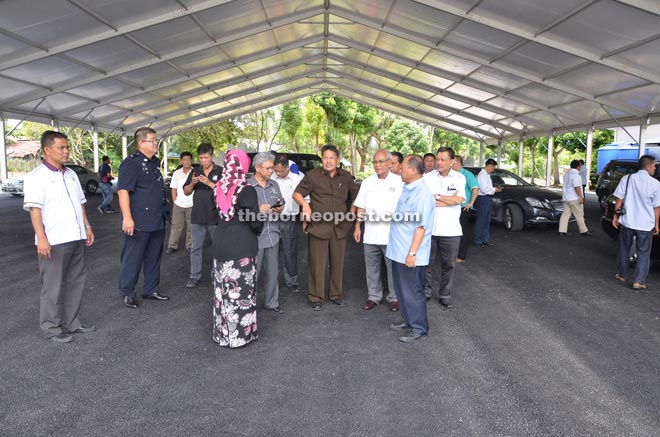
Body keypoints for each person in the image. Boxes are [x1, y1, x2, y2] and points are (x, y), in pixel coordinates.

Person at [23, 130, 97, 343]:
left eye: (67, 147)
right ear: (47, 150)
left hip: (76, 237)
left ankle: (72, 323)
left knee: (77, 282)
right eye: (61, 148)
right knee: (52, 287)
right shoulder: (37, 177)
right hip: (54, 241)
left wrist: (88, 227)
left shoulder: (71, 174)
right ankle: (51, 328)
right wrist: (42, 238)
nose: (66, 151)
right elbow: (35, 210)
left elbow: (80, 204)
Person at [293, 144, 359, 311]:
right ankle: (316, 297)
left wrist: (351, 213)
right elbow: (297, 193)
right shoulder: (313, 175)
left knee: (337, 263)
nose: (328, 161)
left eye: (331, 158)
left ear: (337, 160)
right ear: (322, 159)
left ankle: (336, 295)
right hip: (318, 227)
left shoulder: (345, 177)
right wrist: (305, 206)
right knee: (316, 263)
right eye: (325, 157)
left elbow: (357, 196)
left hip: (339, 227)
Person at [212, 149, 263, 348]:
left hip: (221, 244)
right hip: (242, 247)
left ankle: (223, 335)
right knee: (241, 293)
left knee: (222, 293)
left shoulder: (218, 187)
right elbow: (255, 220)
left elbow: (213, 215)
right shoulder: (246, 189)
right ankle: (240, 336)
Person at [117, 127, 170, 308]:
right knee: (133, 257)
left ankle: (151, 289)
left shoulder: (153, 162)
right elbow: (123, 190)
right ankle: (128, 292)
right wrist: (127, 218)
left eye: (156, 140)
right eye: (153, 140)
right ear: (141, 143)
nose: (156, 143)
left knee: (154, 256)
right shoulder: (131, 163)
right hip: (139, 220)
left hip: (156, 219)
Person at [386, 155, 436, 343]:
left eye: (403, 167)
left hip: (410, 254)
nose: (399, 169)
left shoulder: (422, 193)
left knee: (413, 291)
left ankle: (419, 327)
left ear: (413, 170)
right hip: (398, 251)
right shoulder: (408, 189)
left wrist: (412, 253)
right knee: (401, 290)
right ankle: (408, 321)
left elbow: (420, 227)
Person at [353, 149, 403, 312]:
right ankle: (373, 296)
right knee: (372, 267)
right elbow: (361, 205)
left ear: (390, 163)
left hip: (392, 235)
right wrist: (357, 226)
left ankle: (394, 298)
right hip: (371, 234)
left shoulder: (399, 181)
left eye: (381, 161)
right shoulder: (367, 182)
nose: (377, 165)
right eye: (375, 162)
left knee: (392, 268)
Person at [423, 147, 466, 307]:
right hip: (429, 229)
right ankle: (426, 292)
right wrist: (448, 199)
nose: (438, 162)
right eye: (437, 159)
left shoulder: (459, 178)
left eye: (442, 159)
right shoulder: (428, 177)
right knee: (426, 263)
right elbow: (427, 200)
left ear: (452, 161)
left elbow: (459, 199)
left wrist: (438, 197)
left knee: (449, 265)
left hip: (451, 230)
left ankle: (445, 295)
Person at [612, 155, 660, 290]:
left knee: (623, 249)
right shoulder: (655, 184)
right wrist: (656, 224)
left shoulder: (627, 179)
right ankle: (639, 281)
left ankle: (622, 274)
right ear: (648, 166)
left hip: (628, 221)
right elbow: (657, 206)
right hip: (645, 224)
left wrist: (616, 216)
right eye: (654, 166)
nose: (655, 168)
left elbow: (619, 199)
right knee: (643, 252)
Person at [249, 152, 285, 314]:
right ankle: (248, 305)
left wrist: (279, 208)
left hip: (273, 235)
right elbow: (240, 212)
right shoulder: (247, 187)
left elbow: (281, 204)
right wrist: (257, 210)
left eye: (272, 167)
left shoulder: (274, 185)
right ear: (257, 167)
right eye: (268, 168)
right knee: (251, 275)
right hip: (254, 237)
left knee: (272, 273)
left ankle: (272, 303)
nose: (272, 171)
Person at [183, 143, 223, 288]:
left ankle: (216, 275)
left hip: (215, 215)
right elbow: (186, 192)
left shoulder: (221, 171)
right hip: (198, 215)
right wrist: (192, 183)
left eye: (206, 157)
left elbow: (225, 192)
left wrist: (209, 182)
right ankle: (194, 276)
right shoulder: (195, 171)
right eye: (201, 158)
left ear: (212, 156)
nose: (203, 161)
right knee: (195, 248)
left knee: (218, 247)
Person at [272, 153, 303, 293]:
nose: (277, 173)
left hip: (289, 220)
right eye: (275, 170)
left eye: (280, 170)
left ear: (287, 168)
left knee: (289, 251)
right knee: (270, 252)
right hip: (271, 220)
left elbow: (306, 201)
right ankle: (272, 281)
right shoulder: (270, 178)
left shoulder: (298, 179)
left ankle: (292, 281)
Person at [452, 156, 479, 263]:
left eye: (453, 163)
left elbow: (475, 188)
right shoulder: (452, 175)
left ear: (458, 163)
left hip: (463, 208)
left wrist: (471, 202)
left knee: (462, 232)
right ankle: (454, 253)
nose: (451, 165)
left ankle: (461, 256)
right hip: (453, 207)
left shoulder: (467, 174)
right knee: (454, 232)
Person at [166, 151, 194, 254]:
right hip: (179, 204)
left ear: (192, 161)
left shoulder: (195, 173)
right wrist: (175, 201)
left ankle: (189, 245)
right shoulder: (177, 173)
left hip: (191, 204)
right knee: (175, 226)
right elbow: (173, 188)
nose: (187, 162)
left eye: (189, 159)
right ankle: (172, 245)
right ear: (181, 161)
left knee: (191, 226)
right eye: (184, 159)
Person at [474, 158, 502, 246]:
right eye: (493, 168)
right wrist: (494, 189)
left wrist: (493, 189)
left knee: (486, 220)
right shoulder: (482, 175)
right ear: (489, 166)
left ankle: (484, 239)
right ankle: (478, 239)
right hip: (483, 198)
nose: (493, 170)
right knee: (481, 220)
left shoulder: (487, 175)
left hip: (487, 198)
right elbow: (484, 189)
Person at [559, 160, 590, 237]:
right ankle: (584, 231)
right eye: (580, 166)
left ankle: (562, 231)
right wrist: (581, 197)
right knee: (579, 214)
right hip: (574, 198)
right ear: (578, 166)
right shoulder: (576, 175)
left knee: (565, 214)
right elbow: (577, 187)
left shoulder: (566, 174)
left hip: (566, 198)